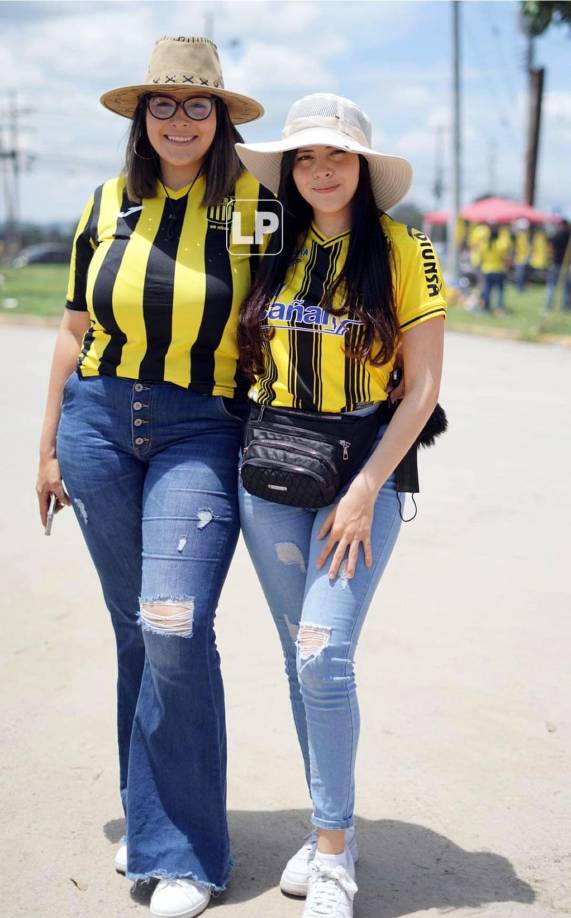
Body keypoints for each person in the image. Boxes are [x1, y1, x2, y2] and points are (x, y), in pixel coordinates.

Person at [36, 36, 266, 918]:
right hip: (97, 423)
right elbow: (68, 330)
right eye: (162, 105)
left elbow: (301, 290)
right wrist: (47, 447)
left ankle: (188, 855)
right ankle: (156, 821)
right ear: (141, 117)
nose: (178, 119)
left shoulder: (253, 204)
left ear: (219, 118)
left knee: (173, 626)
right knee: (134, 631)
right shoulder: (105, 203)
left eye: (195, 104)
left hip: (200, 430)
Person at [235, 94, 446, 918]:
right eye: (305, 159)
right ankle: (332, 823)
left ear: (362, 167)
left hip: (362, 470)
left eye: (337, 157)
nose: (320, 171)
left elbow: (423, 386)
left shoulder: (403, 247)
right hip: (272, 472)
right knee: (302, 660)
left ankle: (331, 850)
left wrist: (365, 490)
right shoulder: (269, 243)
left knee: (323, 654)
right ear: (290, 170)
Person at [479, 222, 511, 312]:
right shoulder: (500, 244)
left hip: (486, 270)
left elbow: (481, 258)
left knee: (487, 290)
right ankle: (499, 307)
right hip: (499, 269)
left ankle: (486, 308)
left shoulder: (484, 245)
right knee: (500, 291)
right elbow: (505, 258)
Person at [544, 218, 571, 311]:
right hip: (565, 263)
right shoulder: (568, 235)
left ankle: (549, 304)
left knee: (552, 284)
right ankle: (566, 305)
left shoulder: (556, 234)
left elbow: (550, 247)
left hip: (556, 262)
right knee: (566, 286)